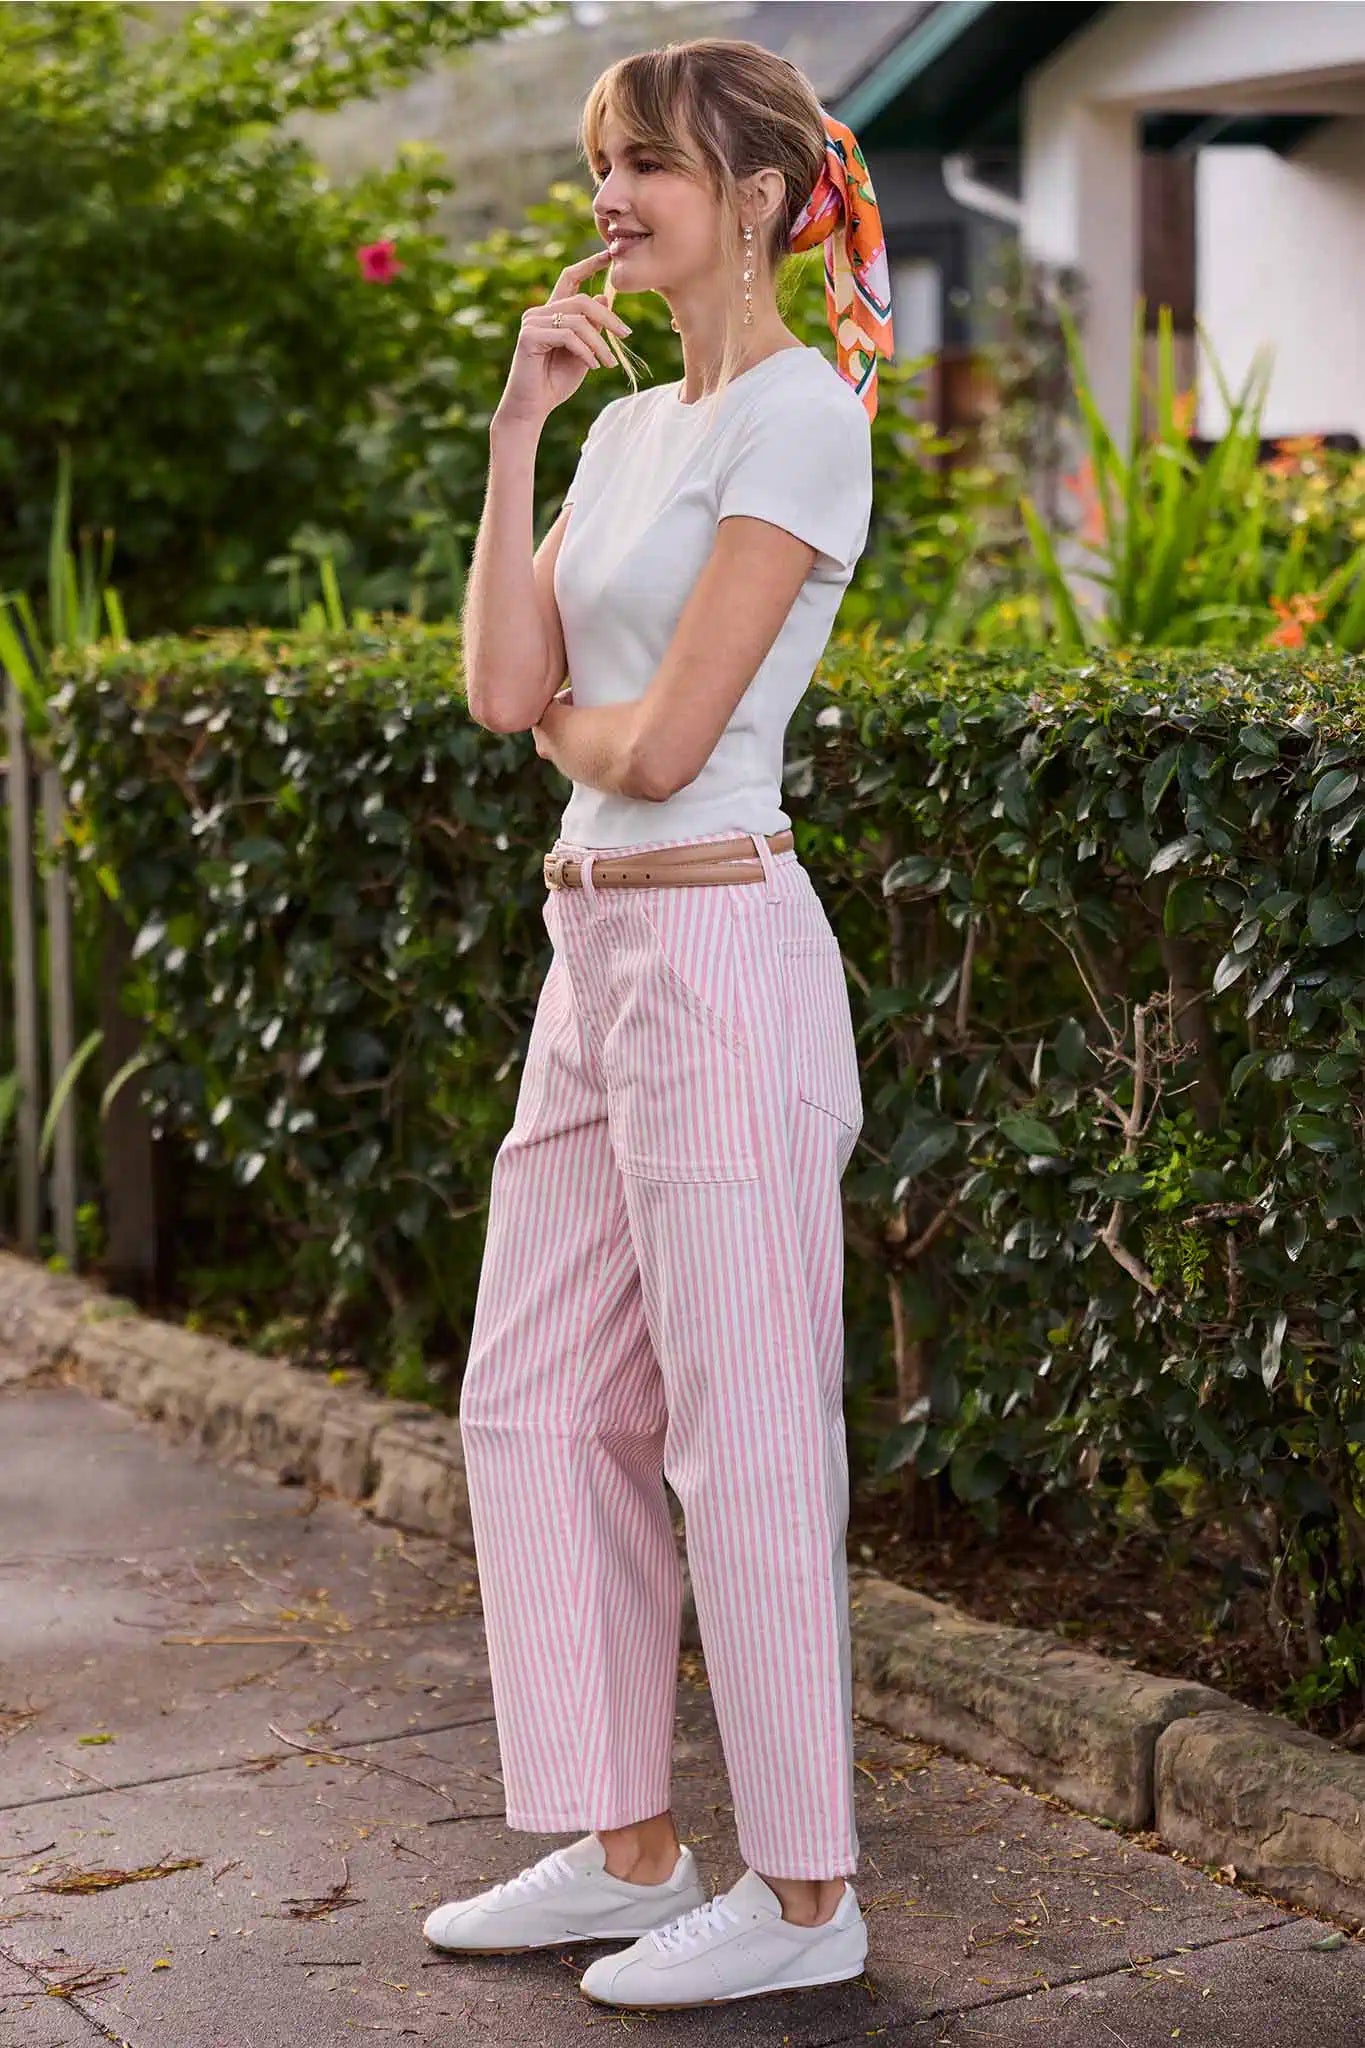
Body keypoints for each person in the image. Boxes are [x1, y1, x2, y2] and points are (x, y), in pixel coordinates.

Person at [424, 35, 893, 2012]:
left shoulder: (796, 419)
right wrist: (524, 426)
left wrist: (576, 734)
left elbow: (667, 733)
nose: (611, 199)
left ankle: (806, 1896)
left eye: (652, 171)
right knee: (529, 1399)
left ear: (759, 202)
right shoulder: (625, 434)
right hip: (587, 953)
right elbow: (499, 688)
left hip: (713, 950)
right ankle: (627, 1845)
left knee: (743, 1437)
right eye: (603, 165)